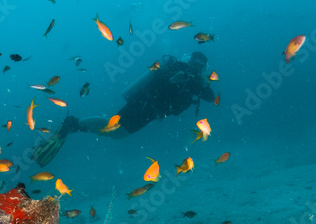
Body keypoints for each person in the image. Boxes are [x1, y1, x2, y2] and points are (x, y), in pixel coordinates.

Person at [32, 52, 215, 166]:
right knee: (114, 126)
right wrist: (174, 80)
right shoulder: (176, 68)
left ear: (203, 68)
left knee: (118, 134)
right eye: (194, 63)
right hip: (143, 103)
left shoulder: (197, 82)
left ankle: (76, 126)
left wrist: (202, 81)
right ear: (189, 60)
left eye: (199, 66)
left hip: (152, 113)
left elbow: (211, 97)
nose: (195, 67)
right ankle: (74, 123)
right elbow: (161, 83)